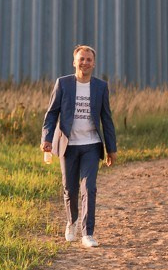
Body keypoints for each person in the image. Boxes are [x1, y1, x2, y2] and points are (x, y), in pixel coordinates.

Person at [41, 44, 117, 248]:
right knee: (69, 188)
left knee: (89, 188)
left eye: (88, 59)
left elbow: (106, 119)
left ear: (94, 63)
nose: (85, 62)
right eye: (81, 59)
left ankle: (88, 233)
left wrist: (111, 148)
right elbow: (51, 114)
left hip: (91, 145)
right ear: (74, 62)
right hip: (68, 145)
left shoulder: (101, 87)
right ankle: (71, 222)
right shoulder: (63, 84)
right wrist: (46, 139)